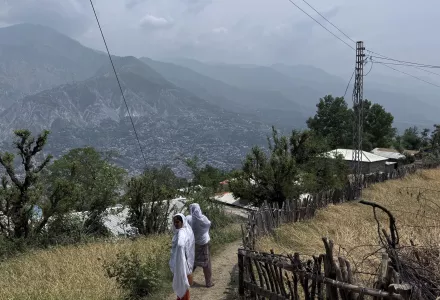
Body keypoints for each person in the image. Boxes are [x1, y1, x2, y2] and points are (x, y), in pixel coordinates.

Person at [169, 213, 195, 300]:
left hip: (182, 263)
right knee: (182, 284)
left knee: (183, 284)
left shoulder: (181, 232)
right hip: (182, 262)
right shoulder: (184, 231)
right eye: (174, 222)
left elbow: (180, 245)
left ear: (182, 222)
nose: (176, 224)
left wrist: (179, 258)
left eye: (177, 222)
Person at [188, 203, 214, 288]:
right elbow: (209, 224)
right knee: (206, 263)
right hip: (204, 243)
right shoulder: (203, 219)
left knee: (192, 262)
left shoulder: (189, 219)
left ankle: (187, 280)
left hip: (193, 243)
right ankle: (208, 282)